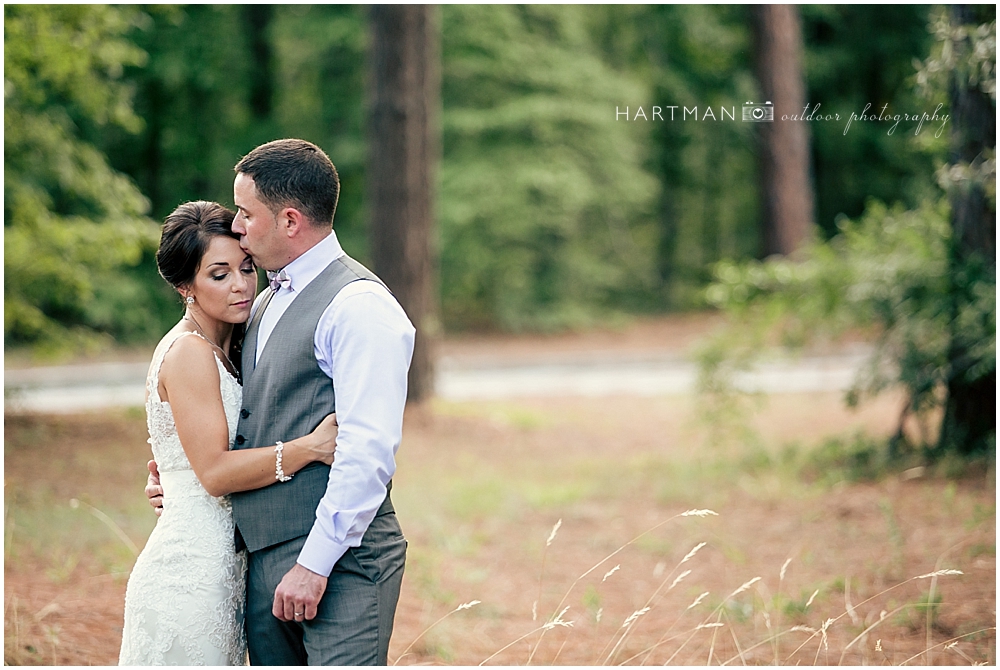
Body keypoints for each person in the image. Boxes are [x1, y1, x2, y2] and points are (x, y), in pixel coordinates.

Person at [147, 139, 415, 665]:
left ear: (289, 221)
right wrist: (177, 479)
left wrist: (315, 565)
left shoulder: (359, 306)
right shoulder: (262, 302)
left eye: (247, 213)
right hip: (261, 562)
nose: (239, 226)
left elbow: (366, 450)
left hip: (341, 561)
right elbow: (245, 414)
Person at [119, 201, 339, 666]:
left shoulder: (236, 343)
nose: (241, 285)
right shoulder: (189, 353)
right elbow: (215, 474)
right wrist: (309, 449)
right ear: (186, 287)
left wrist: (171, 479)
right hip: (190, 576)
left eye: (246, 268)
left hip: (230, 570)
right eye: (219, 275)